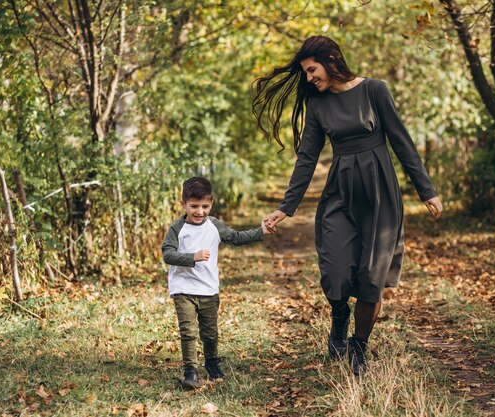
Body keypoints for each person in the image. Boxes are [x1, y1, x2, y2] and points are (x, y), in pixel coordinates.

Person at [253, 36, 443, 376]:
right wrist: (286, 207)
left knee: (371, 278)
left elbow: (401, 140)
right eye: (306, 73)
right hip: (340, 194)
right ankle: (339, 316)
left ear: (330, 59)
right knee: (336, 271)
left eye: (312, 70)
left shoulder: (374, 90)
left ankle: (359, 347)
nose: (309, 78)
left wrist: (425, 190)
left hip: (380, 196)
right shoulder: (318, 105)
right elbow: (307, 158)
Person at [162, 176, 271, 389]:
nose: (199, 211)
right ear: (183, 204)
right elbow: (168, 254)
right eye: (194, 206)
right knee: (188, 331)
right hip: (183, 288)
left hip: (209, 289)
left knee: (209, 332)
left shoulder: (214, 225)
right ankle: (190, 372)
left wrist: (261, 231)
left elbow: (236, 238)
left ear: (211, 203)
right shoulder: (177, 228)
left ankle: (211, 363)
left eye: (204, 206)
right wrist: (191, 257)